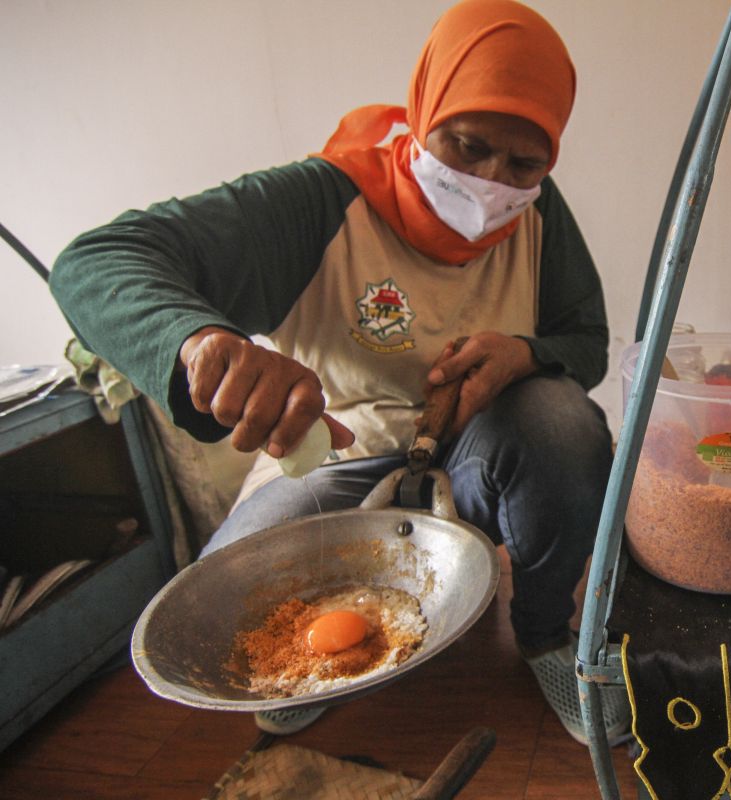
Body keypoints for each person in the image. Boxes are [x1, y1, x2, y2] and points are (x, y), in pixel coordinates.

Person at [49, 0, 630, 746]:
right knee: (237, 599)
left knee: (564, 425)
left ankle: (549, 635)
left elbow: (586, 339)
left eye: (524, 163)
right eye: (466, 145)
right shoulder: (319, 202)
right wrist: (199, 341)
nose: (492, 183)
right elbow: (95, 262)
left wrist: (526, 353)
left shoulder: (542, 213)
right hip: (345, 454)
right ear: (425, 111)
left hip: (485, 450)